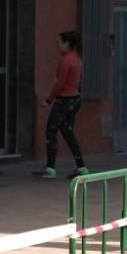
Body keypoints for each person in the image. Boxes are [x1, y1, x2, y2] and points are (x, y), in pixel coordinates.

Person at [34, 31, 88, 180]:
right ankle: (81, 166)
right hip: (74, 99)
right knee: (68, 132)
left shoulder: (66, 60)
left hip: (64, 100)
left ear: (67, 43)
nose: (57, 46)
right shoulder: (77, 59)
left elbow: (60, 83)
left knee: (51, 131)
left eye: (59, 43)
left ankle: (50, 168)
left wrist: (48, 100)